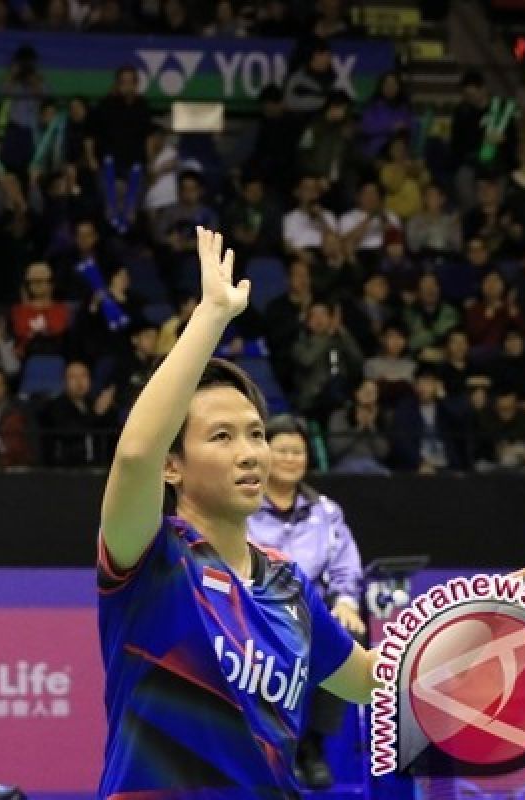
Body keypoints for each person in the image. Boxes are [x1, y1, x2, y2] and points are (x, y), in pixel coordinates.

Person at [96, 229, 379, 796]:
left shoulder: (286, 584)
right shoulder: (151, 558)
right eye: (221, 436)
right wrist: (213, 317)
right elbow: (133, 454)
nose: (250, 452)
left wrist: (472, 620)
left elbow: (368, 681)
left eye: (255, 433)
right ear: (172, 466)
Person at [248, 415, 368, 788]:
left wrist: (346, 601)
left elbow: (346, 564)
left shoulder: (326, 513)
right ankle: (274, 745)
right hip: (256, 614)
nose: (290, 458)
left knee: (348, 637)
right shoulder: (244, 505)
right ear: (265, 454)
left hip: (312, 615)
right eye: (281, 450)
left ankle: (311, 745)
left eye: (297, 451)